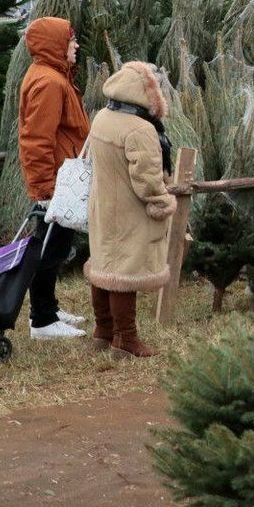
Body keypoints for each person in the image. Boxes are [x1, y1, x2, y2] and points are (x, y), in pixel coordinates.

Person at [83, 61, 177, 358]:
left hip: (104, 204)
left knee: (104, 266)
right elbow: (148, 182)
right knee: (125, 272)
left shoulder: (103, 117)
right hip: (129, 212)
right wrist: (163, 203)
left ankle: (104, 331)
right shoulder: (139, 129)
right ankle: (126, 339)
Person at [17, 16, 91, 340]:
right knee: (49, 249)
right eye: (70, 39)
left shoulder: (54, 77)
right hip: (57, 183)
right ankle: (43, 320)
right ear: (55, 44)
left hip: (62, 179)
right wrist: (45, 188)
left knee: (54, 245)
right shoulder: (48, 82)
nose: (75, 45)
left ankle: (49, 309)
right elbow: (37, 140)